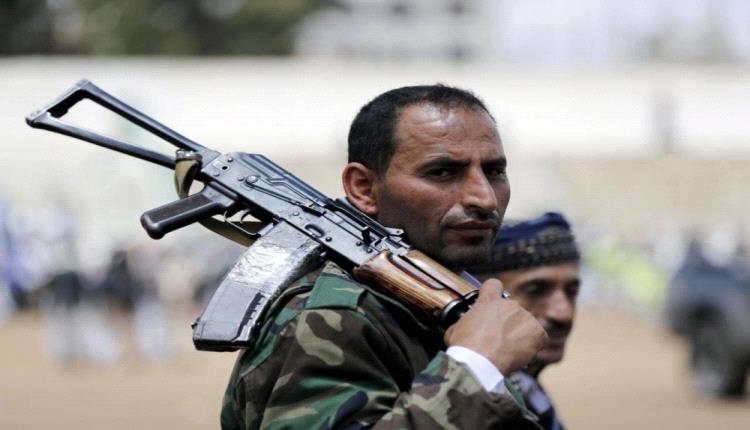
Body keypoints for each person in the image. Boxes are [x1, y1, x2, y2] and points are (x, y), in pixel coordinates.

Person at [221, 85, 548, 429]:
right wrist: (476, 368)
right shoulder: (337, 314)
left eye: (494, 171)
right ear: (363, 188)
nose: (485, 198)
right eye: (442, 172)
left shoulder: (426, 302)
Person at [469, 212, 581, 430]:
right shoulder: (467, 403)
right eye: (536, 290)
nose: (563, 314)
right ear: (479, 296)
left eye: (571, 291)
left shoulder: (530, 393)